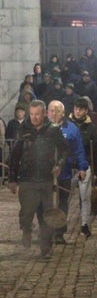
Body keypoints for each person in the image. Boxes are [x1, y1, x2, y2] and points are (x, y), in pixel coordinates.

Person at [8, 100, 70, 258]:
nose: (34, 117)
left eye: (37, 114)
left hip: (46, 179)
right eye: (32, 114)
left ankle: (46, 248)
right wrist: (12, 179)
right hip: (27, 179)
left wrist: (59, 165)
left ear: (44, 114)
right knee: (27, 212)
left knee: (46, 214)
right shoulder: (23, 129)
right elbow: (14, 156)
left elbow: (64, 150)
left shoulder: (53, 130)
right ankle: (26, 230)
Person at [45, 100, 88, 244]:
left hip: (64, 173)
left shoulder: (72, 129)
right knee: (45, 203)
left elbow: (78, 150)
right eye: (52, 110)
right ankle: (46, 231)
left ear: (63, 113)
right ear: (47, 112)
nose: (54, 113)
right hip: (45, 174)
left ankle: (59, 232)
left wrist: (82, 168)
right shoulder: (42, 128)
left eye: (58, 111)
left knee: (63, 203)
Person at [70, 97, 97, 237]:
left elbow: (95, 150)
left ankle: (84, 224)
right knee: (65, 196)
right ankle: (60, 225)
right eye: (75, 108)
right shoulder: (67, 125)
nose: (77, 111)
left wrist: (95, 170)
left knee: (84, 197)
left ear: (86, 111)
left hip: (85, 165)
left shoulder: (91, 128)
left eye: (80, 109)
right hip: (68, 166)